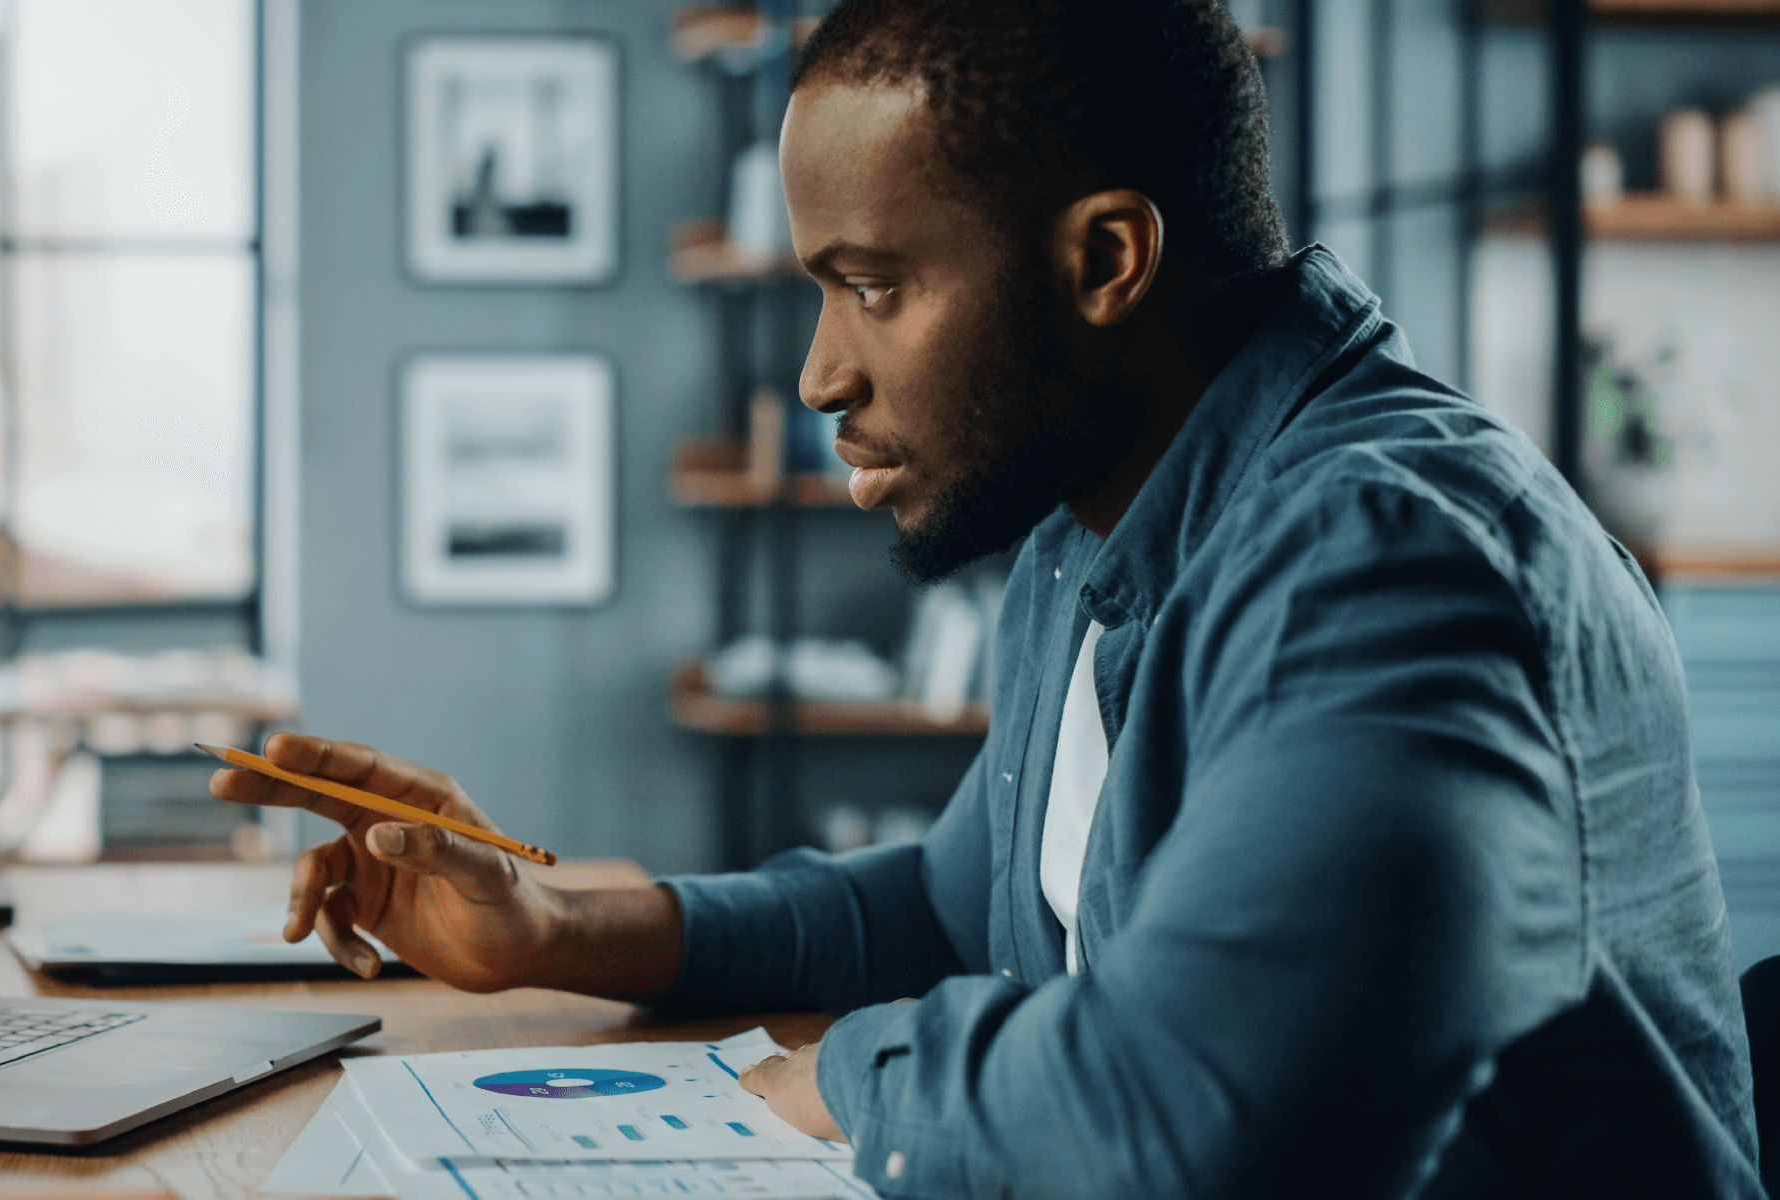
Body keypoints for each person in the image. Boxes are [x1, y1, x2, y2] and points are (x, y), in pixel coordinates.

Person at [211, 0, 1757, 1193]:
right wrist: (552, 919)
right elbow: (959, 909)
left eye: (871, 286)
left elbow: (1196, 1120)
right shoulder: (1094, 523)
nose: (821, 372)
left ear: (1104, 260)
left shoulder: (1391, 562)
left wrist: (855, 1081)